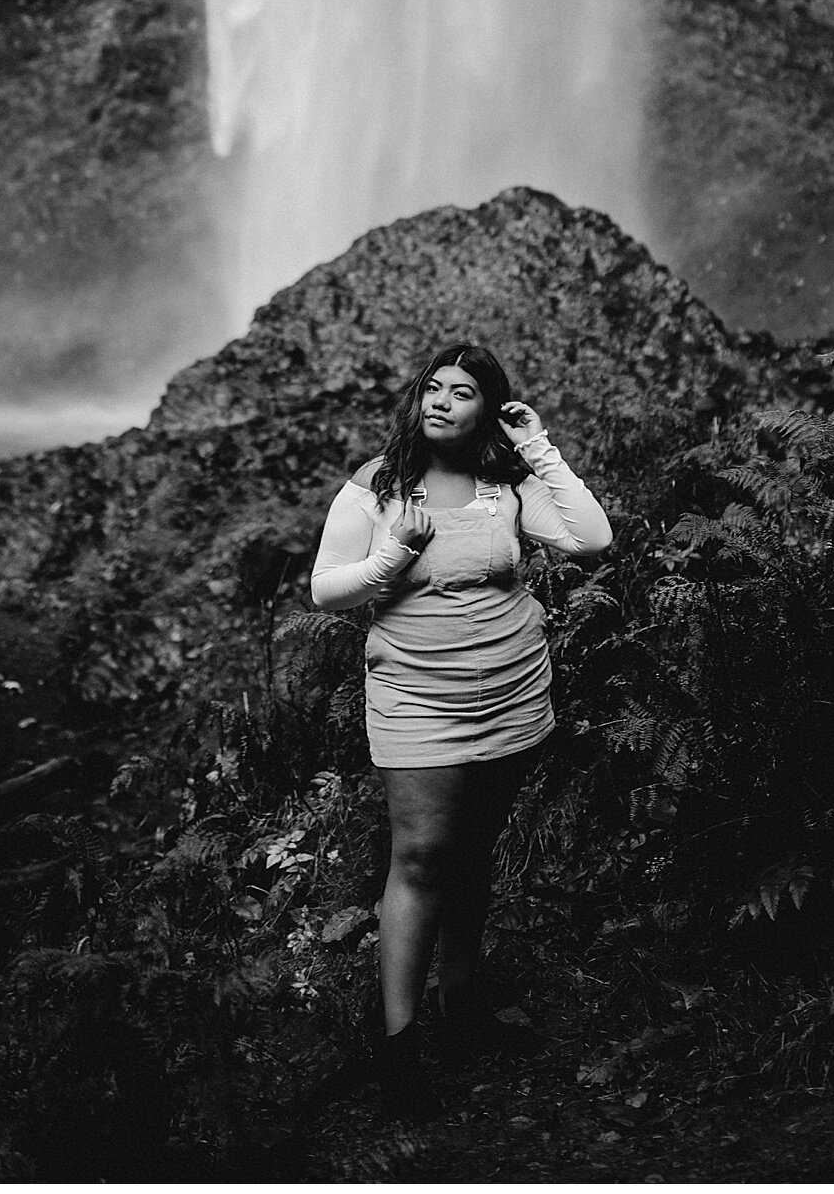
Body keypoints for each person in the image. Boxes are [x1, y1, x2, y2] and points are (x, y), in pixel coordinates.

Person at [310, 340, 612, 1115]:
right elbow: (325, 591)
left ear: (488, 409)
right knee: (420, 858)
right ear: (417, 400)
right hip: (418, 702)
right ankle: (400, 1045)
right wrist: (392, 558)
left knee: (475, 850)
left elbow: (591, 539)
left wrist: (538, 445)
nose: (442, 400)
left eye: (464, 392)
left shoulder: (505, 482)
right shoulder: (377, 487)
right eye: (433, 388)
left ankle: (463, 1001)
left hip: (514, 693)